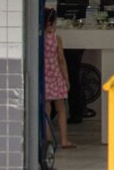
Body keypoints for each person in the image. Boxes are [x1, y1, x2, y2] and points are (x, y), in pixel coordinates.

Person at [42, 0, 99, 123]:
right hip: (57, 17)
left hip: (80, 19)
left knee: (72, 64)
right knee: (54, 63)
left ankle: (76, 109)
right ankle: (54, 108)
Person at [43, 9, 75, 149]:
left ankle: (48, 140)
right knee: (61, 109)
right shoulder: (57, 39)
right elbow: (61, 59)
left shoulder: (38, 39)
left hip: (44, 77)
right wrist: (66, 78)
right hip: (56, 76)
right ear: (52, 23)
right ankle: (64, 140)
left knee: (46, 110)